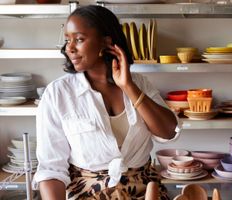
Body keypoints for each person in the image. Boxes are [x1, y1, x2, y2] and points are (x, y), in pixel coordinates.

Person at [32, 5, 180, 200]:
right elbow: (51, 169)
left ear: (106, 42)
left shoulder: (140, 84)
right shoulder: (58, 94)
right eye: (68, 40)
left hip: (145, 193)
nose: (69, 48)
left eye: (79, 39)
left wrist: (128, 87)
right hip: (87, 194)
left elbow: (168, 132)